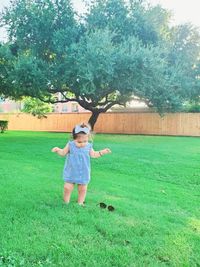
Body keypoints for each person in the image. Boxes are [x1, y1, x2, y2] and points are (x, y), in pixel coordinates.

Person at [51, 123, 111, 206]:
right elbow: (63, 153)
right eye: (79, 142)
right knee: (67, 187)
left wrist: (102, 152)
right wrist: (57, 150)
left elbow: (94, 155)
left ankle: (80, 202)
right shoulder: (70, 145)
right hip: (71, 171)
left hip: (84, 172)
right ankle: (66, 202)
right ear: (73, 138)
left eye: (85, 141)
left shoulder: (89, 146)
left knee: (82, 188)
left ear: (88, 138)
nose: (82, 143)